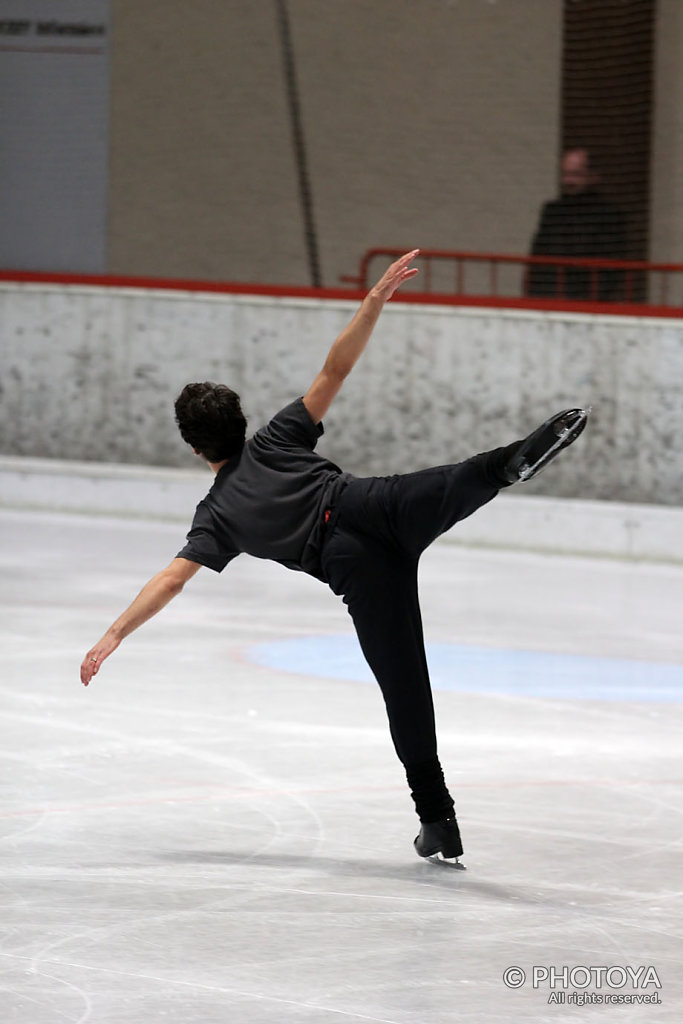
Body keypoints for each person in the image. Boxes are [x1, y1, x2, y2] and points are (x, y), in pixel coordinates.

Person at [81, 250, 589, 864]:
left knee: (407, 692)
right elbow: (335, 370)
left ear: (194, 448)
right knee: (461, 477)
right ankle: (508, 463)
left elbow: (171, 580)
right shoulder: (276, 437)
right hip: (375, 504)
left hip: (355, 567)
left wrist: (113, 633)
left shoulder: (217, 517)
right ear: (241, 422)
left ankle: (440, 822)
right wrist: (373, 301)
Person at [526, 147, 628, 301]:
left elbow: (612, 266)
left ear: (593, 176)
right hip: (549, 298)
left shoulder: (609, 214)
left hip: (588, 301)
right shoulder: (552, 211)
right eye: (565, 174)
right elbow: (538, 255)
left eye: (575, 174)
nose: (568, 181)